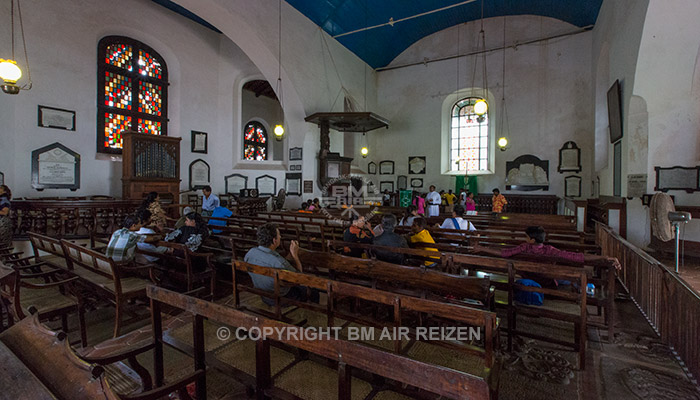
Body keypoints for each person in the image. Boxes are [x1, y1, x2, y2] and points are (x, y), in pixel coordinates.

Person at [473, 226, 621, 270]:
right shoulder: (550, 250)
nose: (525, 239)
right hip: (547, 280)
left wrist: (482, 249)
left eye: (526, 237)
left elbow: (503, 253)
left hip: (527, 275)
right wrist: (603, 258)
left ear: (531, 239)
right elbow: (577, 257)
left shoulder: (524, 248)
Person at [244, 223, 319, 306]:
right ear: (274, 240)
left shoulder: (250, 253)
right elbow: (299, 278)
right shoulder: (279, 263)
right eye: (279, 235)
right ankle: (311, 314)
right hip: (281, 298)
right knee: (314, 292)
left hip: (263, 295)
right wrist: (295, 255)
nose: (280, 237)